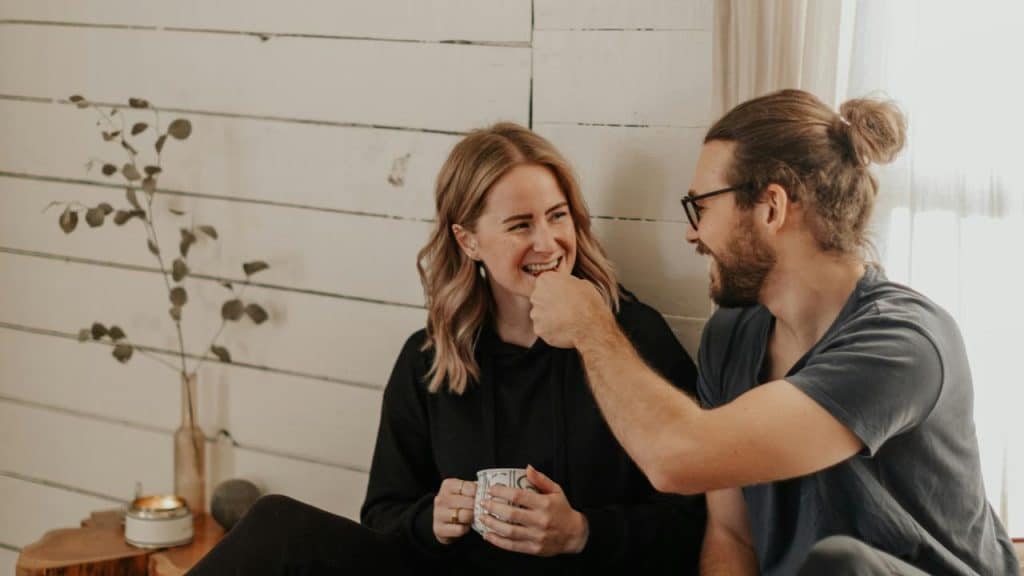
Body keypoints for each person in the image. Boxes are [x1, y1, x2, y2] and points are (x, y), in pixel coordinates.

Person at [528, 90, 1020, 575]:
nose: (691, 232)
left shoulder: (903, 345)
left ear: (771, 207)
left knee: (842, 564)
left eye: (701, 206)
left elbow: (675, 457)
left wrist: (591, 327)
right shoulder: (731, 335)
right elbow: (732, 536)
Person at [188, 122, 705, 575]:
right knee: (277, 527)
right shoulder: (431, 358)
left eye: (558, 216)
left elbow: (694, 518)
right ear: (468, 240)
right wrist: (431, 520)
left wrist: (581, 533)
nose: (548, 242)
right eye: (521, 225)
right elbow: (383, 513)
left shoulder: (628, 338)